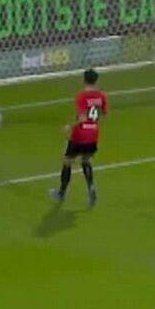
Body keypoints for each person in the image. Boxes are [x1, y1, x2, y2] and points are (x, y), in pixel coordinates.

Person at [50, 69, 108, 207]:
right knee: (85, 161)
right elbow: (104, 114)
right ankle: (91, 189)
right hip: (93, 134)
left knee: (67, 161)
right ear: (96, 80)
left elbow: (82, 118)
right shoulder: (102, 96)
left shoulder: (82, 96)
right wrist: (93, 123)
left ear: (84, 80)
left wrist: (69, 126)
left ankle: (61, 193)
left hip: (80, 135)